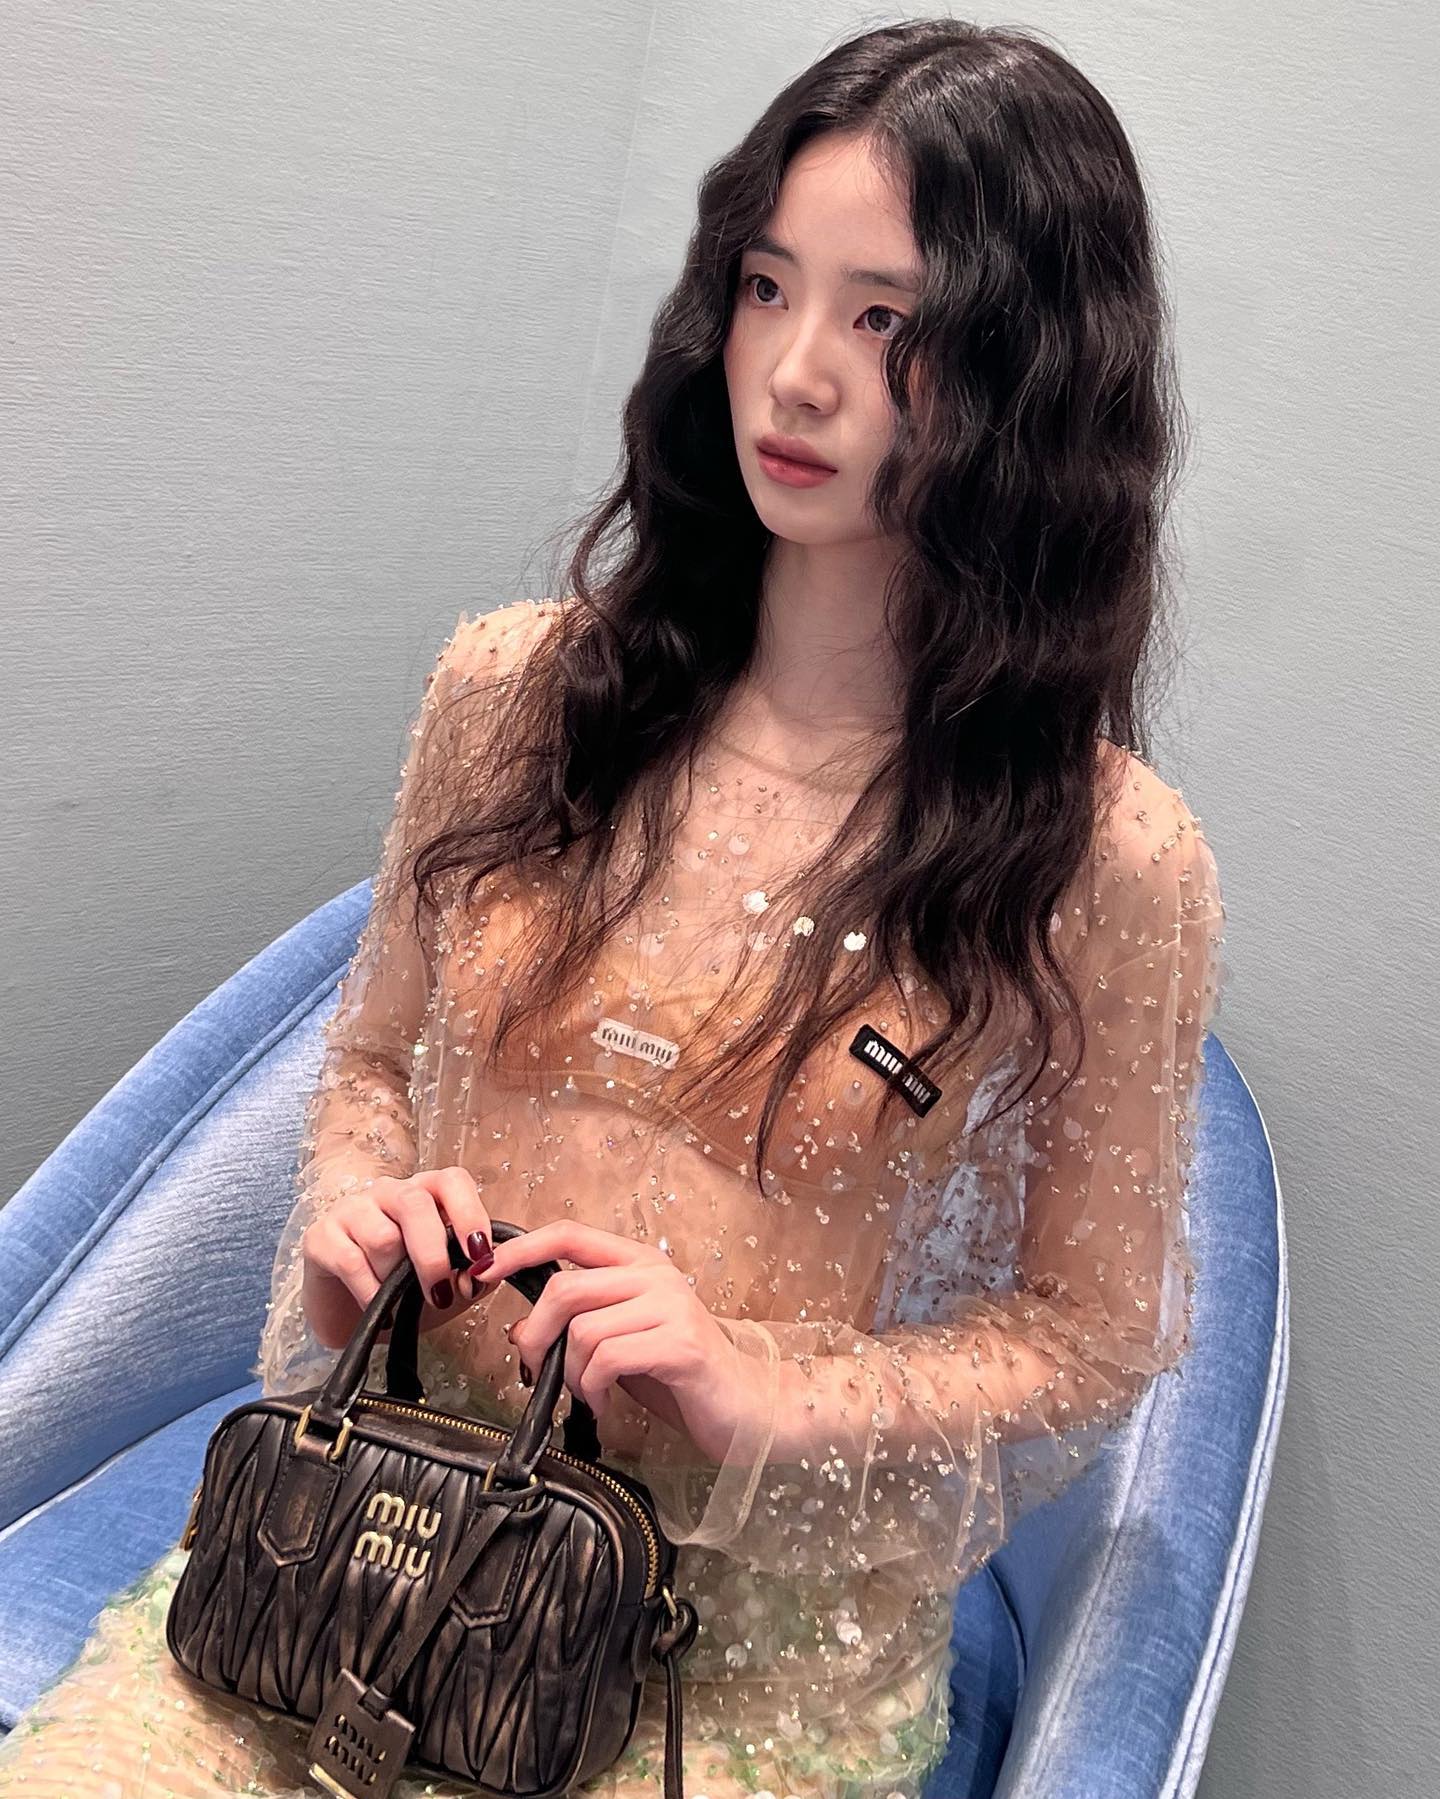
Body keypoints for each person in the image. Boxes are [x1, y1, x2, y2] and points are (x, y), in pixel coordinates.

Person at [0, 17, 1228, 1799]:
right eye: (766, 288)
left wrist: (761, 1390)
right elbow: (370, 1066)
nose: (794, 374)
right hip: (368, 1542)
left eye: (887, 320)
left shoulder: (1103, 859)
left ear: (1034, 374)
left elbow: (1088, 1332)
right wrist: (356, 1221)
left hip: (730, 1666)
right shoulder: (519, 697)